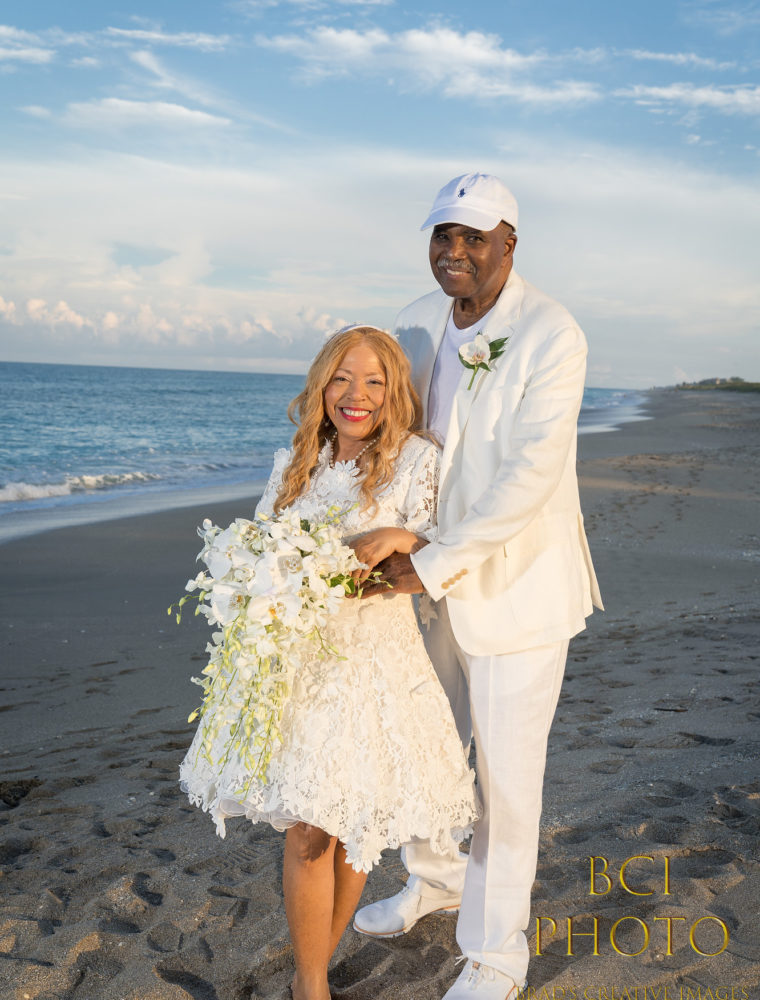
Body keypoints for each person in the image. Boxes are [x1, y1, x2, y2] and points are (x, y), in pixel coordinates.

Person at [353, 173, 603, 999]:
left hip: (516, 588)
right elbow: (399, 436)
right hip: (424, 584)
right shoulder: (418, 322)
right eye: (442, 236)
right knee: (421, 745)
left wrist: (429, 561)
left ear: (509, 245)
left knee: (502, 779)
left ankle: (497, 954)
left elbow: (528, 480)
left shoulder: (552, 334)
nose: (454, 253)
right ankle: (432, 877)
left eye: (473, 238)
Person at [179, 325, 479, 1000]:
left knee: (351, 825)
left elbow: (444, 540)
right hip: (298, 668)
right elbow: (260, 540)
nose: (357, 395)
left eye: (374, 381)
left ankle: (313, 965)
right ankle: (311, 983)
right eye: (343, 378)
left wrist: (401, 534)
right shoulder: (299, 459)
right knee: (310, 828)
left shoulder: (415, 458)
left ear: (394, 390)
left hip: (374, 665)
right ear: (322, 384)